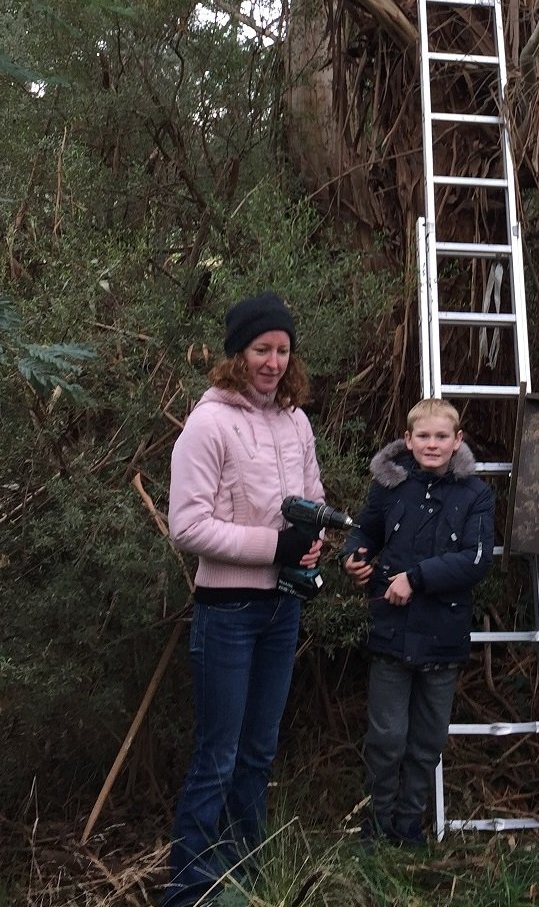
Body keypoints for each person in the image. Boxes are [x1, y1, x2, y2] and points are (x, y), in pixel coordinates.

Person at [164, 291, 325, 907]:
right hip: (227, 612)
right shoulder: (207, 424)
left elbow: (310, 497)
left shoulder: (296, 421)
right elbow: (188, 526)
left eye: (283, 350)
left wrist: (308, 547)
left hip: (282, 610)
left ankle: (244, 878)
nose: (275, 362)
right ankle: (190, 890)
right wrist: (275, 546)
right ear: (238, 353)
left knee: (257, 752)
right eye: (263, 349)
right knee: (219, 755)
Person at [342, 397, 495, 846]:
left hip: (442, 637)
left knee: (426, 742)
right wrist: (353, 556)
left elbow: (476, 559)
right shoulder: (390, 488)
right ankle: (376, 824)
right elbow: (365, 532)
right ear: (407, 441)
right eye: (423, 436)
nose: (432, 444)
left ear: (457, 441)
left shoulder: (476, 495)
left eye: (441, 436)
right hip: (390, 631)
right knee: (386, 738)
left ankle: (409, 826)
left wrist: (417, 577)